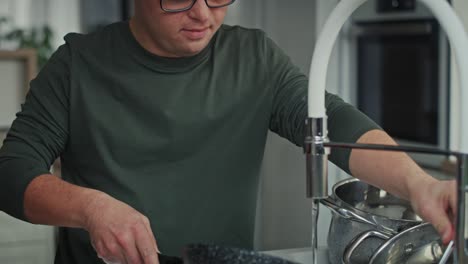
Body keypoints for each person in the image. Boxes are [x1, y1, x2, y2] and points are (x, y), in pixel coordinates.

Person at [0, 0, 457, 263]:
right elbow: (12, 171)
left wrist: (420, 185)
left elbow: (332, 121)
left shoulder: (254, 58)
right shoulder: (77, 65)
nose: (202, 13)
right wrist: (89, 207)